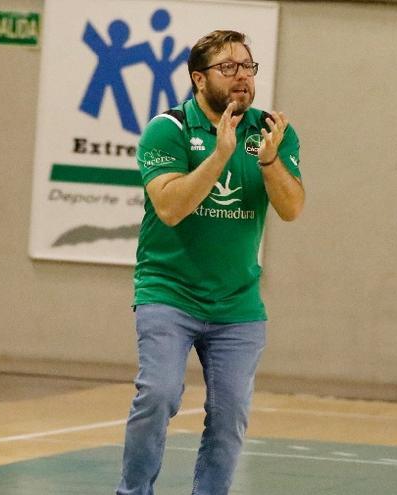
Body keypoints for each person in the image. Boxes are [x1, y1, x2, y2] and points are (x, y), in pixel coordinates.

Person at [116, 30, 304, 495]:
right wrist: (220, 155)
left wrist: (270, 161)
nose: (242, 76)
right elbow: (170, 207)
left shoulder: (270, 131)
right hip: (168, 292)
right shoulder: (170, 129)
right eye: (229, 67)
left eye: (248, 66)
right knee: (158, 395)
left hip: (237, 303)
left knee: (230, 416)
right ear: (198, 79)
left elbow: (292, 208)